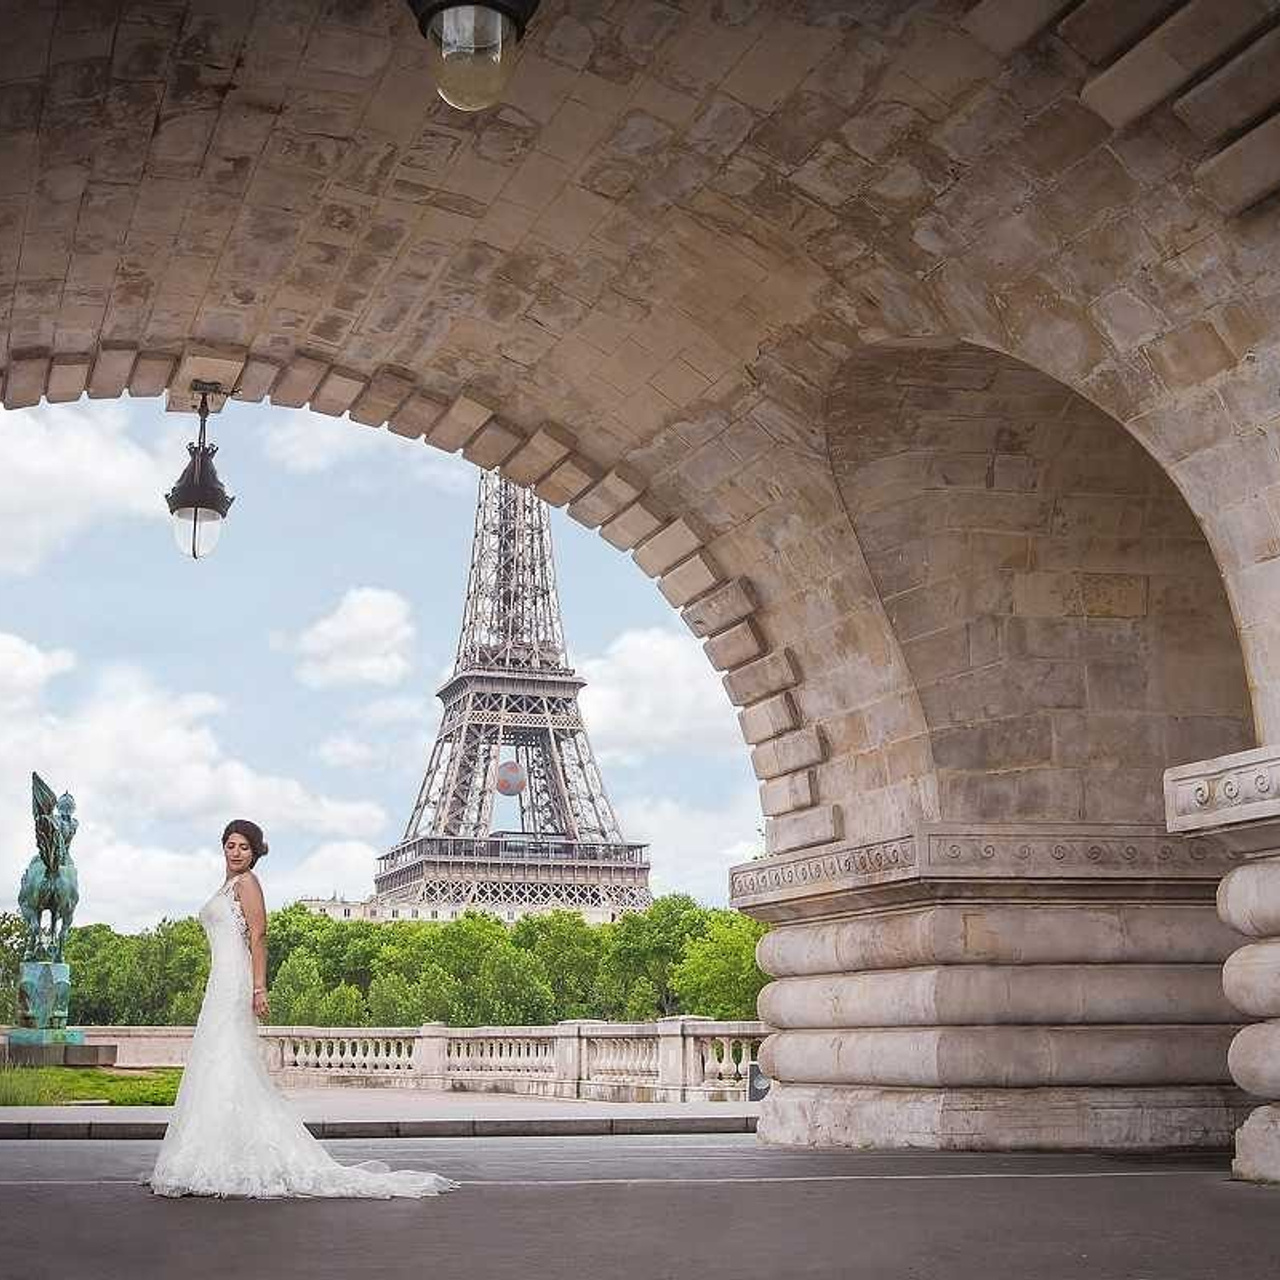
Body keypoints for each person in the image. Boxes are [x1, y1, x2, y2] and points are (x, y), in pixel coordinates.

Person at [144, 819, 457, 1199]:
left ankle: (214, 1157)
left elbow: (259, 937)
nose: (236, 851)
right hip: (220, 981)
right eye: (231, 844)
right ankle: (208, 1155)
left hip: (236, 982)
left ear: (254, 853)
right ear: (223, 847)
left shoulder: (247, 884)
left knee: (227, 1062)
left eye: (244, 846)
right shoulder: (227, 886)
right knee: (217, 1062)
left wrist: (259, 987)